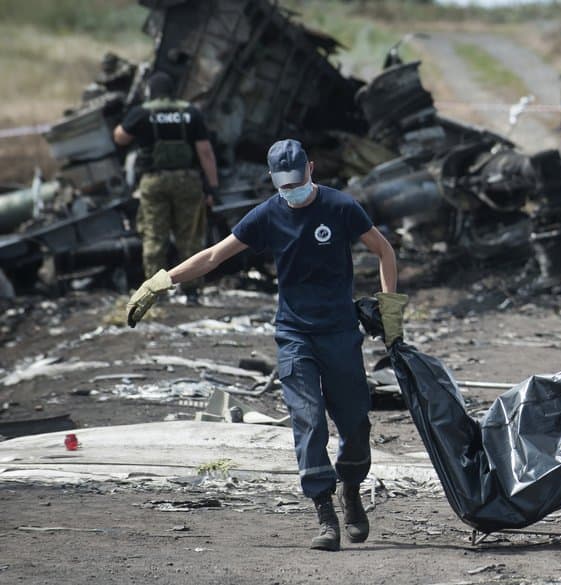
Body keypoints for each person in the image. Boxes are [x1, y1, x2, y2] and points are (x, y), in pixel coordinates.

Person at [124, 139, 407, 552]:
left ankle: (350, 488)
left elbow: (383, 250)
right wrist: (162, 280)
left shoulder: (341, 207)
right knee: (308, 419)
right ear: (274, 180)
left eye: (297, 181)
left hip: (340, 333)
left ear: (310, 170)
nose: (291, 190)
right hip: (294, 335)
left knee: (356, 423)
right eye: (283, 184)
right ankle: (325, 513)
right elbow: (214, 256)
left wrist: (391, 311)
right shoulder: (268, 215)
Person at [113, 71, 219, 302]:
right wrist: (212, 187)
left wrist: (123, 118)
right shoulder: (190, 112)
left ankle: (155, 293)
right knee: (189, 237)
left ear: (150, 90)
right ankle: (191, 292)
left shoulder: (142, 112)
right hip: (187, 181)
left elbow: (120, 138)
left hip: (154, 181)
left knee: (154, 236)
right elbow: (205, 152)